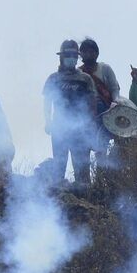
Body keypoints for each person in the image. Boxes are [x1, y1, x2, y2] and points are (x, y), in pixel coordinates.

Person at [42, 40, 102, 186]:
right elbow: (47, 101)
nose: (71, 58)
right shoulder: (53, 78)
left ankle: (85, 203)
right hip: (59, 128)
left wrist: (91, 125)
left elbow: (92, 102)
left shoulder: (85, 78)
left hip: (80, 130)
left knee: (82, 169)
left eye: (74, 55)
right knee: (59, 166)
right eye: (68, 55)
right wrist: (48, 121)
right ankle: (58, 200)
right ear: (61, 57)